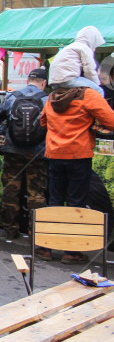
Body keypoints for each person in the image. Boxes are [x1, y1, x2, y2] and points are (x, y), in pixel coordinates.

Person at [39, 65, 114, 263]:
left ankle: (46, 248)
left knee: (54, 201)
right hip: (79, 155)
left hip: (55, 153)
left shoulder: (53, 95)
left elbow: (43, 122)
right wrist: (90, 124)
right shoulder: (88, 95)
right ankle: (70, 252)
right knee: (76, 203)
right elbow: (112, 120)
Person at [0, 68, 48, 242]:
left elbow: (0, 117)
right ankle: (36, 233)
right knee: (36, 193)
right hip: (37, 152)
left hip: (13, 150)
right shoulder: (46, 99)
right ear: (44, 82)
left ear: (28, 80)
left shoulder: (13, 97)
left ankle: (10, 230)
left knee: (11, 189)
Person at [49, 26, 106, 96]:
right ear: (92, 40)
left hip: (54, 82)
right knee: (99, 90)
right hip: (68, 79)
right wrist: (96, 84)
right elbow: (89, 69)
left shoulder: (69, 47)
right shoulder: (84, 48)